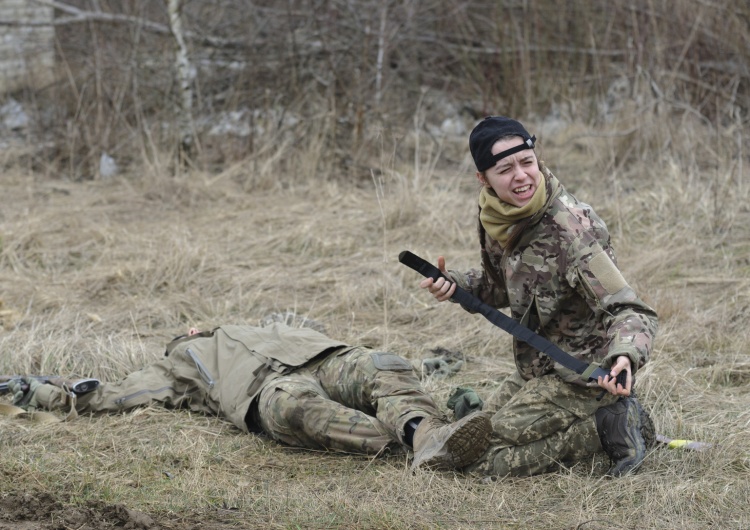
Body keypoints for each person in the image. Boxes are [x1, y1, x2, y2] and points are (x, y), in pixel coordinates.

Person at [419, 116, 658, 477]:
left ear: (537, 160)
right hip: (537, 368)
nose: (521, 176)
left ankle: (605, 426)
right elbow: (499, 286)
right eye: (505, 169)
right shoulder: (499, 215)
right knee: (474, 429)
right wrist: (455, 284)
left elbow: (629, 308)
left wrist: (624, 356)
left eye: (527, 163)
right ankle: (599, 423)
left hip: (583, 376)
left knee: (482, 462)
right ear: (483, 179)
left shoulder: (573, 231)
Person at [5, 320, 492, 471]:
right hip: (269, 391)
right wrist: (33, 391)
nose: (193, 327)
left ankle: (431, 431)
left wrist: (419, 366)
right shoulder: (176, 365)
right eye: (186, 330)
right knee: (301, 410)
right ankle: (424, 444)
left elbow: (350, 349)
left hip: (323, 358)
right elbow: (107, 395)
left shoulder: (251, 323)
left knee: (380, 364)